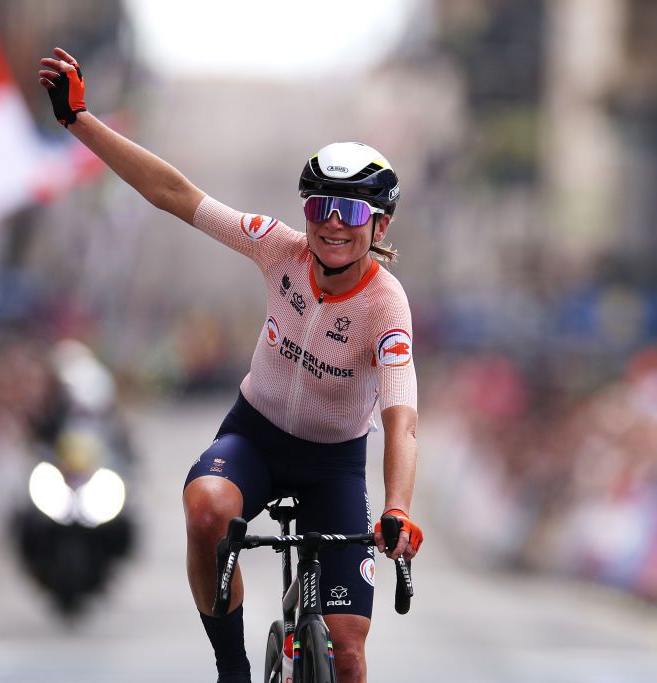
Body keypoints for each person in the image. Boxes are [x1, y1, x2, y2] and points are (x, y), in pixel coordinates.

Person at [38, 47, 423, 683]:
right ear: (304, 212)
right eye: (320, 206)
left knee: (351, 654)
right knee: (206, 509)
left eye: (352, 212)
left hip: (334, 463)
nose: (333, 224)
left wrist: (400, 507)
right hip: (257, 436)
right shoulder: (278, 248)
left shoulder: (386, 306)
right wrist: (79, 119)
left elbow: (401, 417)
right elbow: (173, 193)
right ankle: (233, 671)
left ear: (378, 224)